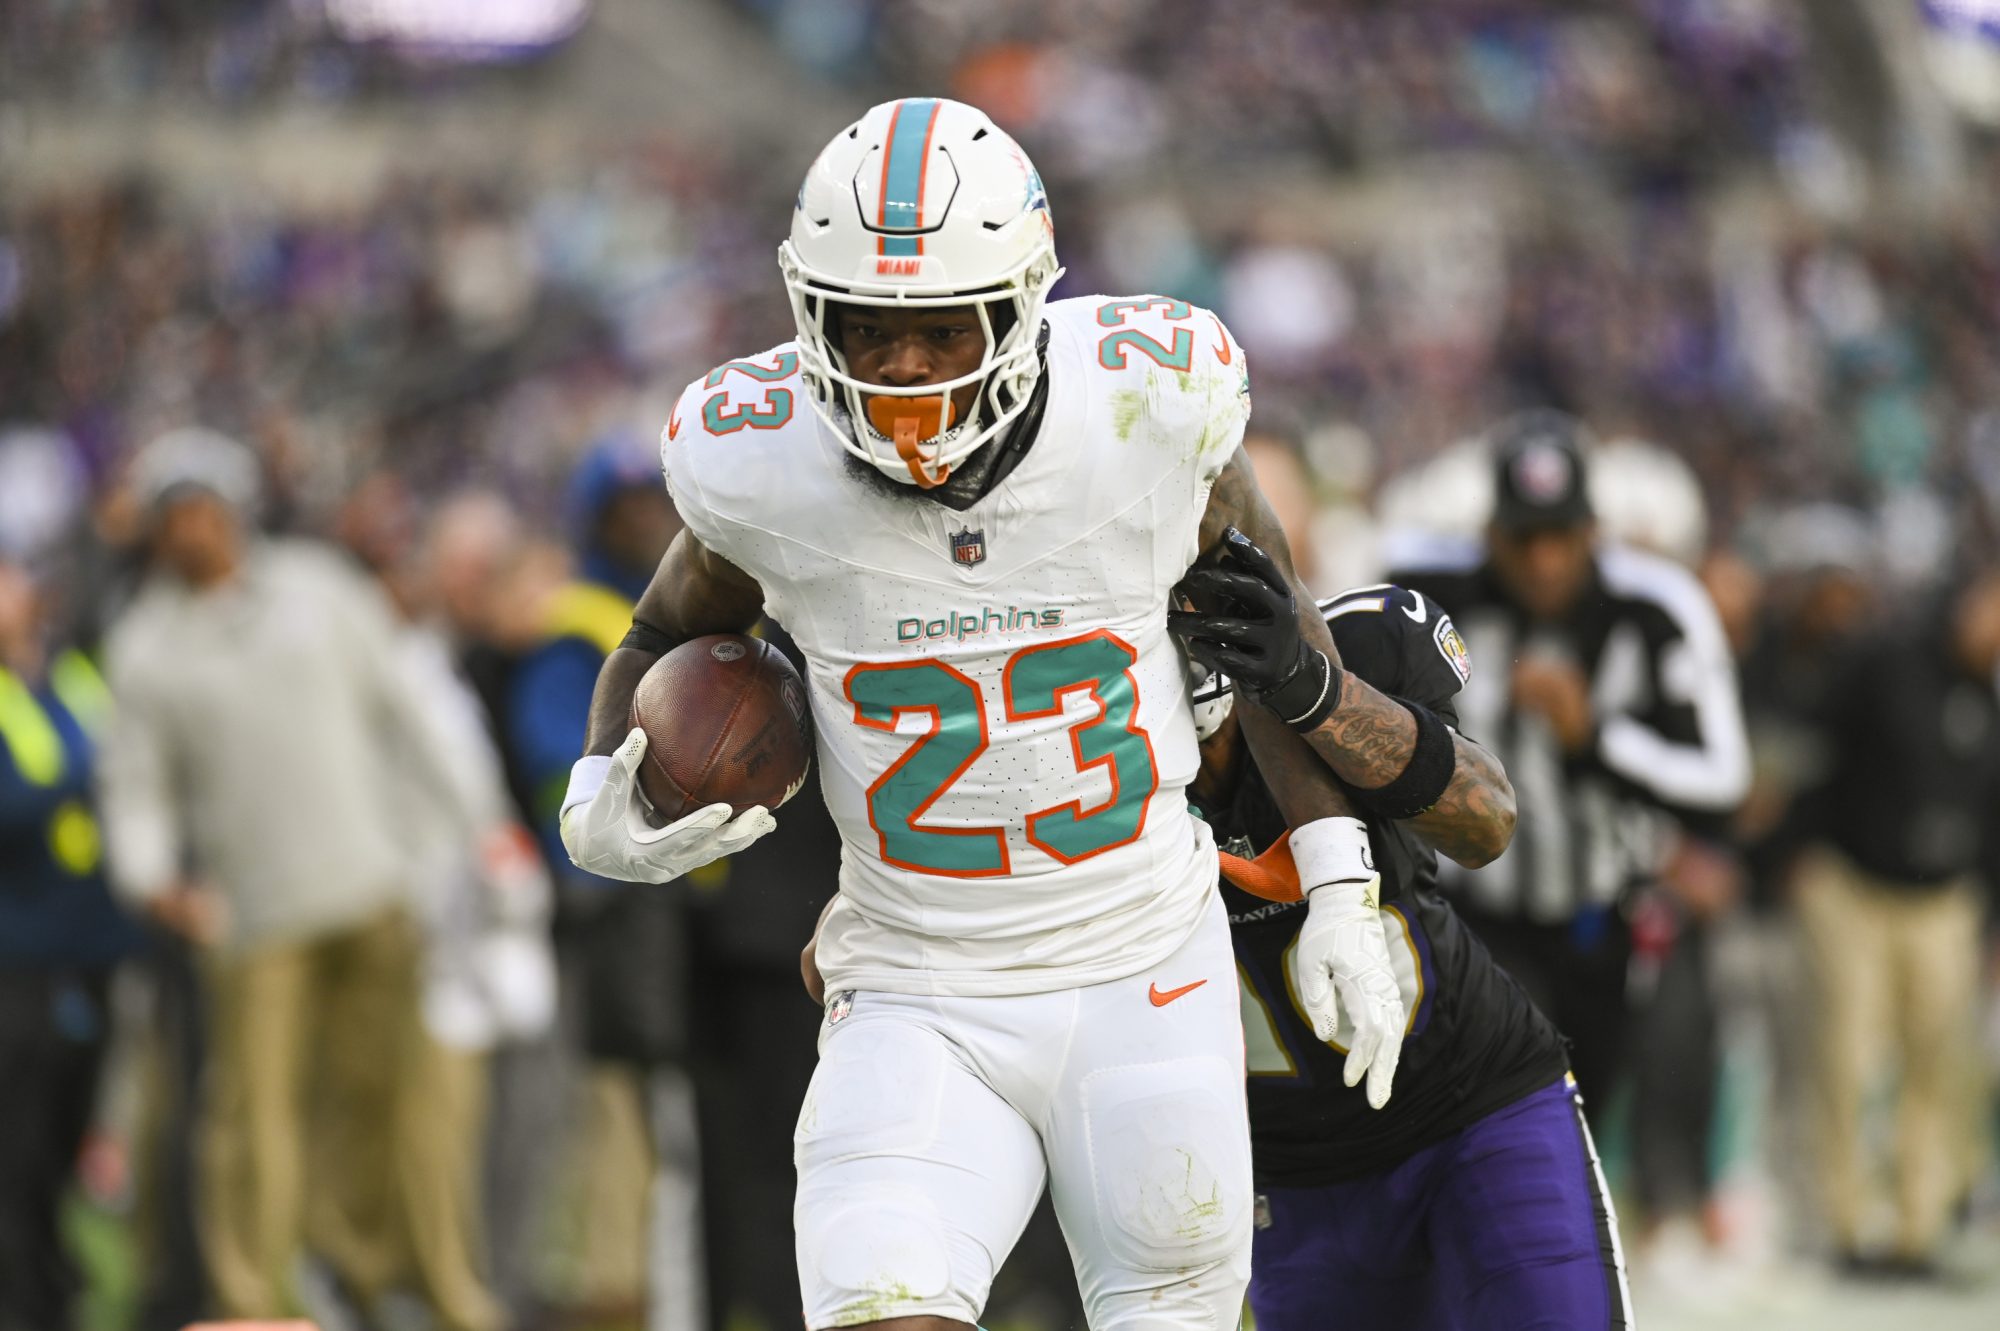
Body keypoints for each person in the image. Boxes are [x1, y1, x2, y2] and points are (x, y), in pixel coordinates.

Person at [558, 97, 1440, 1326]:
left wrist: (1343, 883)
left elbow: (1269, 642)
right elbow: (657, 631)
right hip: (914, 980)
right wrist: (601, 783)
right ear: (811, 317)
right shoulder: (760, 465)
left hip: (1142, 966)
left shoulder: (1144, 413)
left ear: (1017, 307)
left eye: (934, 329)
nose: (902, 367)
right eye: (866, 330)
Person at [96, 428, 494, 1330]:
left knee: (375, 1096)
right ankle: (248, 1295)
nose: (191, 530)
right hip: (254, 908)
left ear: (235, 510)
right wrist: (152, 877)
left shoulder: (320, 588)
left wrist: (474, 824)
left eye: (203, 509)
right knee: (251, 1120)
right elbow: (138, 784)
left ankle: (352, 1274)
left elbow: (406, 709)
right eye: (174, 516)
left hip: (369, 885)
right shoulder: (147, 644)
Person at [1390, 410, 1751, 1112]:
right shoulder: (1428, 596)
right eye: (1525, 539)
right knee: (1492, 1111)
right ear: (1492, 535)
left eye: (1561, 536)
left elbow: (1722, 781)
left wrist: (1595, 739)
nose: (1544, 561)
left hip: (1603, 916)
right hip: (1472, 914)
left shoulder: (1655, 610)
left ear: (1592, 531)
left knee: (1586, 1109)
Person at [1777, 567, 2000, 1275]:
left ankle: (1917, 1229)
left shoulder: (1989, 690)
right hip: (1855, 888)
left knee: (1941, 1063)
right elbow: (1811, 754)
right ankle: (1844, 1225)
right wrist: (1794, 853)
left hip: (1946, 899)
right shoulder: (1885, 660)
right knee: (1845, 1060)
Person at [0, 551, 143, 1331]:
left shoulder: (69, 674)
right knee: (15, 1149)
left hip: (91, 948)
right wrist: (89, 770)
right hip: (16, 958)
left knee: (65, 1135)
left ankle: (54, 1293)